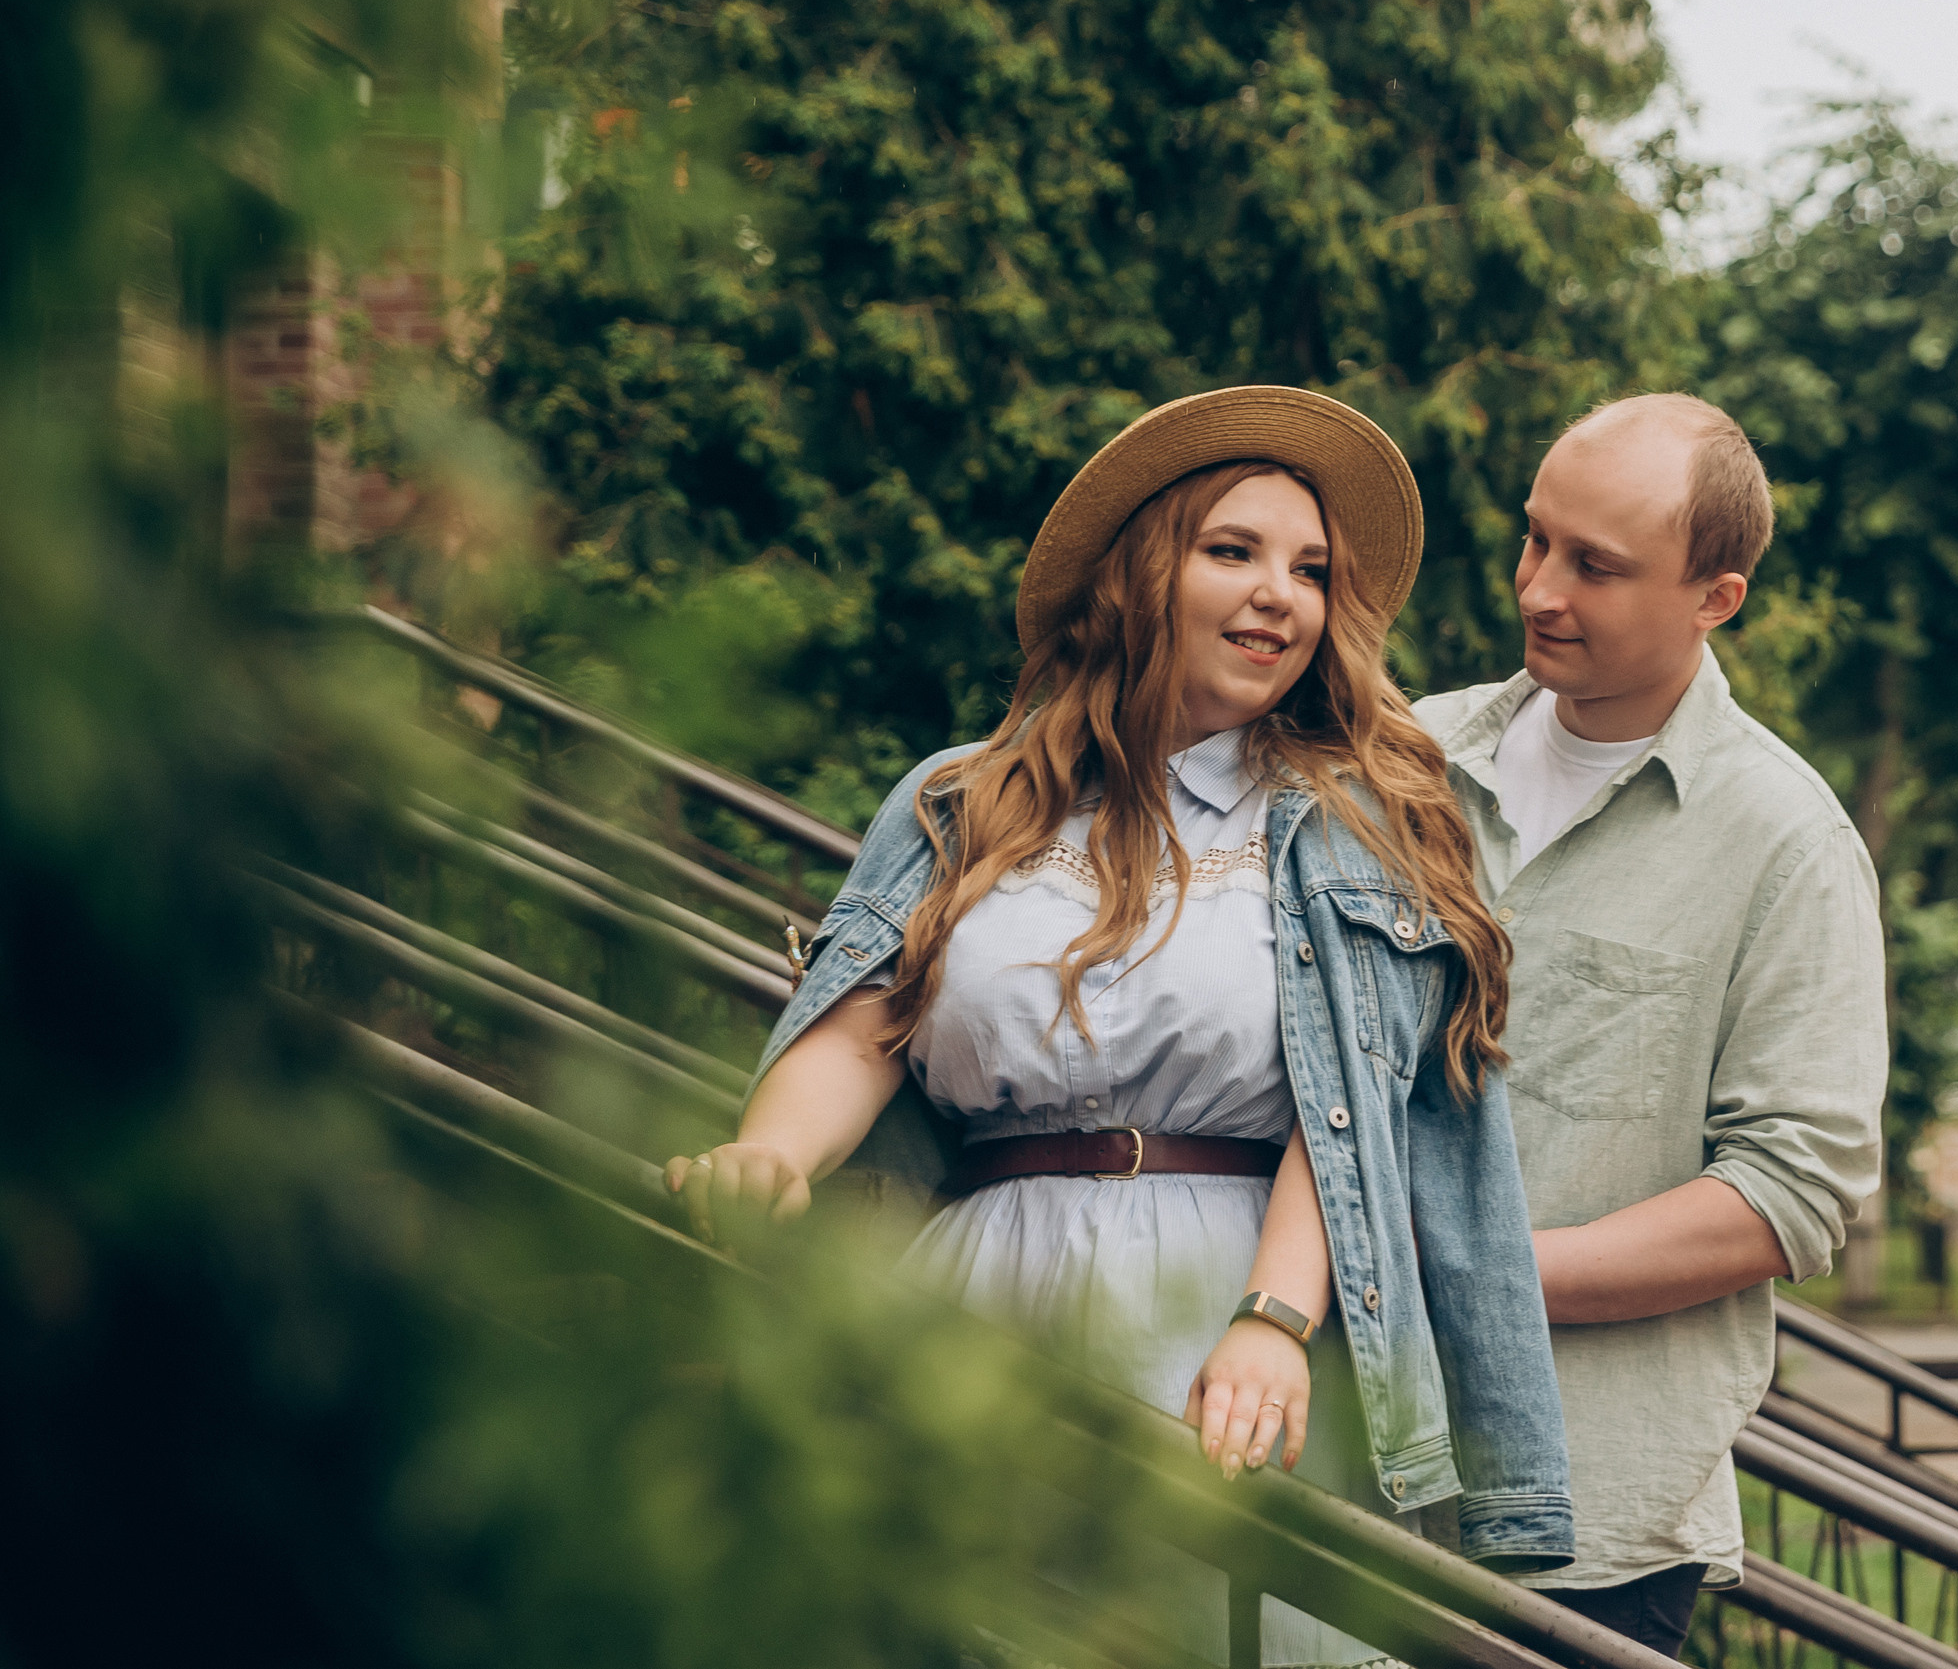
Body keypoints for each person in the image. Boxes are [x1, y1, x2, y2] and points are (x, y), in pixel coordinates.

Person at [670, 386, 1573, 1664]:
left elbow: (1355, 1106)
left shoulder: (1356, 822)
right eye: (1232, 552)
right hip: (979, 1300)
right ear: (1141, 575)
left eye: (1310, 571)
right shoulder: (959, 800)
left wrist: (1273, 1320)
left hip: (1232, 1321)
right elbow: (862, 1024)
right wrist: (768, 1153)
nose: (1280, 595)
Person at [1413, 393, 1888, 1657]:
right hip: (1340, 1469)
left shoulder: (1788, 844)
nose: (1538, 590)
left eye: (1595, 566)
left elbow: (1794, 1189)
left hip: (1585, 1516)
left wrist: (1470, 1276)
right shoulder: (1398, 760)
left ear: (1713, 598)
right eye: (1535, 541)